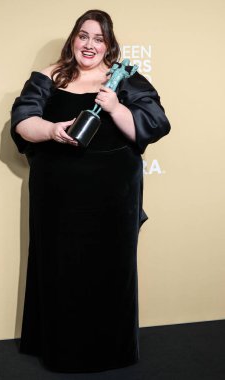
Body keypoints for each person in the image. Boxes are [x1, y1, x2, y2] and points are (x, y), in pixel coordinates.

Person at [10, 9, 170, 373]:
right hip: (58, 196)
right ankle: (60, 349)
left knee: (111, 273)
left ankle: (111, 351)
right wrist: (52, 131)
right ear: (73, 38)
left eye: (99, 39)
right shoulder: (48, 76)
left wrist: (114, 106)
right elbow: (23, 121)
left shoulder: (123, 79)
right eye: (84, 35)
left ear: (109, 45)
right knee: (60, 270)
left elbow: (154, 123)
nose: (90, 44)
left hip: (113, 197)